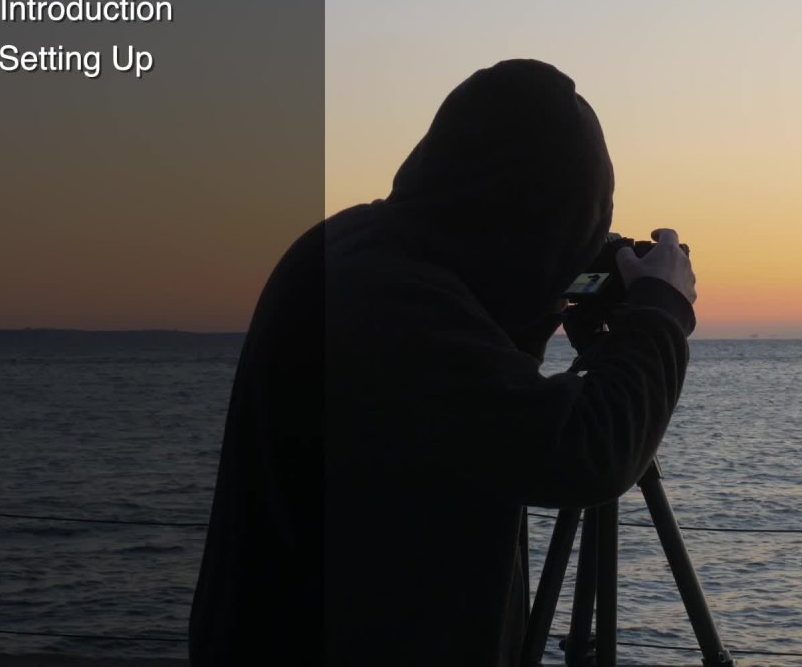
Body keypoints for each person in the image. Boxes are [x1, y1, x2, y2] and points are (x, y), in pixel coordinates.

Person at [188, 58, 698, 666]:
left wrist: (538, 312)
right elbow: (583, 453)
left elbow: (464, 408)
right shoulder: (389, 296)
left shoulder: (357, 249)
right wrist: (661, 311)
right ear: (529, 214)